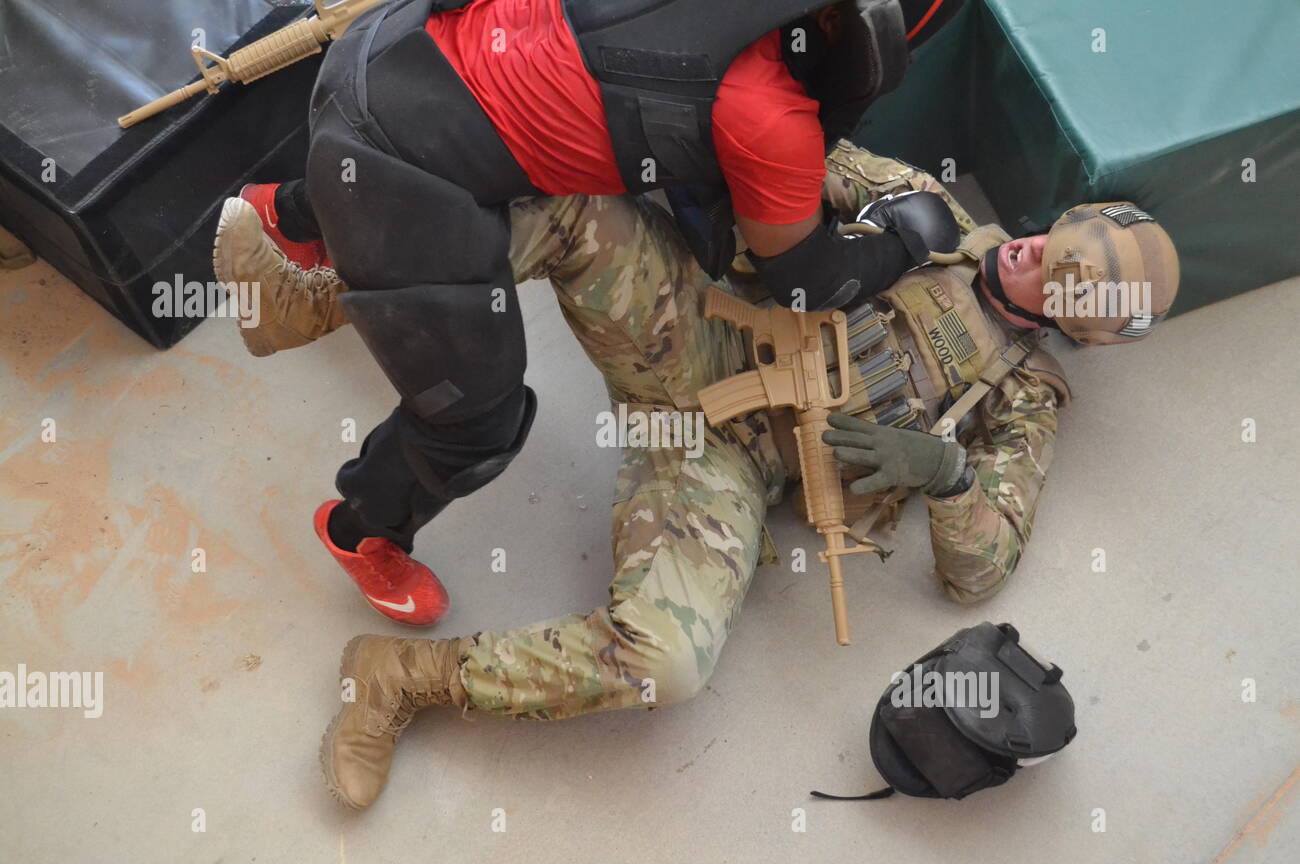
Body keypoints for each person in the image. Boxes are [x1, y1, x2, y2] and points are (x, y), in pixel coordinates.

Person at [221, 136, 1178, 808]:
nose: (1028, 253)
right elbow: (802, 156)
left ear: (1064, 320)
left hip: (726, 466)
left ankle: (398, 678)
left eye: (1052, 275)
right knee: (575, 207)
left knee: (668, 664)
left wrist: (945, 474)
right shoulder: (941, 216)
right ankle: (315, 297)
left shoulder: (1021, 399)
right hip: (699, 336)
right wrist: (879, 205)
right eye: (1053, 237)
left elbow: (981, 569)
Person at [213, 0, 966, 628]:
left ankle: (286, 212)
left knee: (467, 123)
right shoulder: (766, 114)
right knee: (476, 422)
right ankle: (360, 530)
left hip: (381, 48)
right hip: (394, 168)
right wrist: (902, 240)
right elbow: (809, 280)